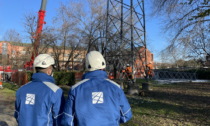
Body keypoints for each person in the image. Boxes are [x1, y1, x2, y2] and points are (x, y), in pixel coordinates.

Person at [62, 51, 132, 126]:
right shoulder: (116, 87)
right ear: (103, 66)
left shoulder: (75, 89)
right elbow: (126, 115)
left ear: (87, 66)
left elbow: (67, 120)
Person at [14, 54, 65, 126]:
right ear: (49, 71)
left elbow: (17, 114)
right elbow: (59, 118)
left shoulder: (21, 89)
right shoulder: (55, 91)